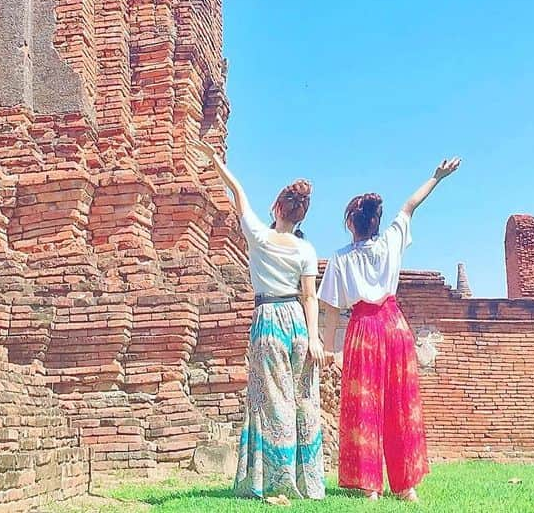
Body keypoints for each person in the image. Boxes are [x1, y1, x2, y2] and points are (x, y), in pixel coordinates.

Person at [319, 158, 462, 503]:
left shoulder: (341, 258)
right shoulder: (390, 241)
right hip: (395, 326)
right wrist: (437, 177)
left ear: (352, 223)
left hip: (364, 329)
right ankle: (405, 486)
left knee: (365, 405)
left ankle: (370, 486)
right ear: (375, 221)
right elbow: (410, 205)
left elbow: (331, 309)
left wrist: (327, 348)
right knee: (400, 404)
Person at [198, 146, 326, 501]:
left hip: (268, 318)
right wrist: (314, 336)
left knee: (271, 401)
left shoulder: (258, 235)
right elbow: (310, 296)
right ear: (300, 216)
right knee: (303, 400)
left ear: (277, 208)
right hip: (299, 324)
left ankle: (274, 483)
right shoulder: (306, 249)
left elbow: (237, 192)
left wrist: (215, 162)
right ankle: (307, 483)